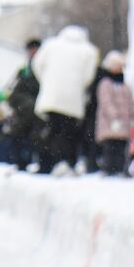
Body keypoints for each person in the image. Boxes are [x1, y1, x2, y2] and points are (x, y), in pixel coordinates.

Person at [32, 25, 99, 174]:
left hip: (51, 96)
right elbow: (88, 76)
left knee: (50, 130)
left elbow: (37, 65)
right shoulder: (89, 51)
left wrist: (46, 81)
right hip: (73, 100)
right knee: (68, 133)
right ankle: (64, 162)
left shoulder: (51, 45)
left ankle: (45, 164)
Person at [95, 51, 134, 175]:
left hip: (124, 123)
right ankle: (108, 169)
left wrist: (132, 116)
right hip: (110, 123)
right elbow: (106, 102)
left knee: (121, 148)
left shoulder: (125, 85)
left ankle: (120, 169)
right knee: (110, 148)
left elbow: (129, 102)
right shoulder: (105, 83)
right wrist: (114, 117)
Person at [5, 39, 42, 168]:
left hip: (39, 113)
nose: (33, 53)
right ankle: (20, 162)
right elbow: (11, 93)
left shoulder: (44, 71)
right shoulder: (23, 71)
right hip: (24, 114)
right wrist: (27, 104)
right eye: (31, 50)